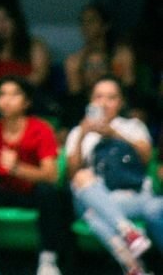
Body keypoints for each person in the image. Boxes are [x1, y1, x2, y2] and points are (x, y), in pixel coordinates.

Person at [0, 77, 65, 275]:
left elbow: (51, 175)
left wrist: (17, 169)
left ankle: (48, 261)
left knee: (49, 193)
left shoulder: (42, 129)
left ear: (27, 102)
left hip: (32, 191)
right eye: (2, 94)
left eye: (14, 94)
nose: (7, 100)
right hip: (4, 189)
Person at [64, 76, 162, 275]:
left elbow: (145, 158)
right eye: (98, 97)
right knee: (82, 178)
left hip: (132, 197)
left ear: (120, 102)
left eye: (111, 97)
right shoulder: (78, 131)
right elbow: (71, 174)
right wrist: (83, 134)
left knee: (94, 213)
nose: (104, 103)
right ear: (90, 100)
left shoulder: (133, 126)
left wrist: (113, 134)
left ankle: (132, 265)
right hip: (93, 194)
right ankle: (128, 232)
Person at [0, 5, 51, 113]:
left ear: (16, 21)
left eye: (5, 19)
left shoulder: (34, 45)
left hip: (25, 97)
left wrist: (9, 91)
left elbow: (40, 76)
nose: (1, 24)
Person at [64, 6, 136, 104]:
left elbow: (130, 90)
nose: (86, 26)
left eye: (91, 21)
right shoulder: (74, 61)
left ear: (105, 25)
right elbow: (75, 96)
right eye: (83, 21)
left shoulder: (121, 54)